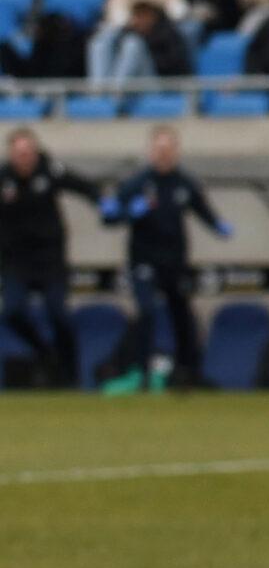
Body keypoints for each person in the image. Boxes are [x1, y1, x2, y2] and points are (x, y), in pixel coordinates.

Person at [99, 126, 229, 394]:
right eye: (159, 148)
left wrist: (218, 225)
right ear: (151, 151)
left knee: (182, 318)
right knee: (146, 312)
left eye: (168, 149)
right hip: (144, 261)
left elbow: (203, 211)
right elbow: (110, 216)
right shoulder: (137, 184)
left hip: (175, 262)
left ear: (176, 151)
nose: (164, 153)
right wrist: (126, 212)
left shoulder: (185, 183)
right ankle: (143, 373)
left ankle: (187, 372)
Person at [0, 129, 106, 387]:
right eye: (19, 153)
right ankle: (45, 353)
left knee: (58, 313)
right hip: (17, 261)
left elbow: (84, 187)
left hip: (50, 260)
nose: (24, 158)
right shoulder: (4, 179)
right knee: (12, 312)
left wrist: (103, 203)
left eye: (28, 152)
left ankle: (72, 374)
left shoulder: (50, 171)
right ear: (12, 154)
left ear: (35, 153)